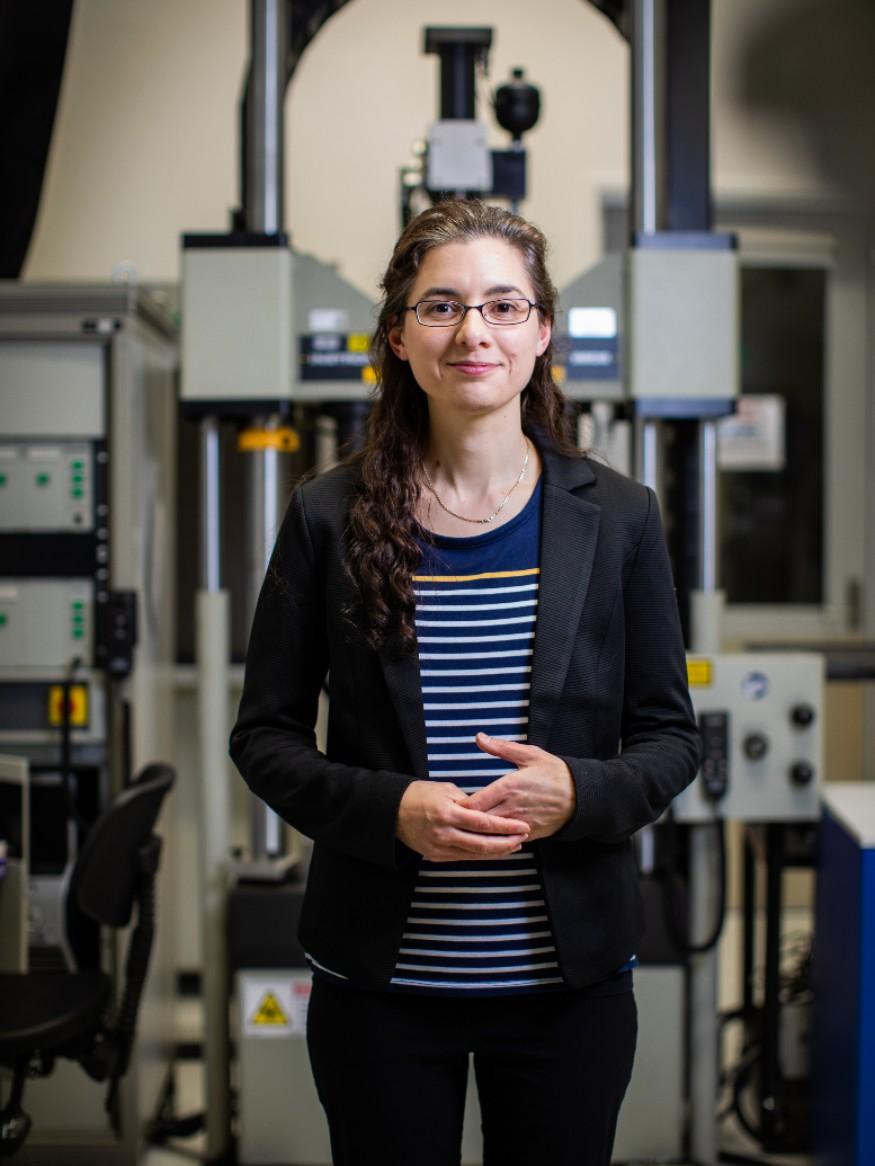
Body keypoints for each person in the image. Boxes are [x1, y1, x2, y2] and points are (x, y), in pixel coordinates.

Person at [229, 199, 700, 1166]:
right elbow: (264, 736)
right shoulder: (327, 514)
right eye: (440, 306)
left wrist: (581, 791)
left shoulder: (616, 518)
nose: (472, 331)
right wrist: (389, 807)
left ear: (541, 332)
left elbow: (670, 736)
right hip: (381, 990)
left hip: (566, 990)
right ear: (399, 336)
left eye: (502, 305)